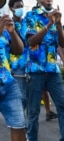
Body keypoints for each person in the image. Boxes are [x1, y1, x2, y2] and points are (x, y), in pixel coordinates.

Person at [24, 0, 64, 140]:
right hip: (35, 69)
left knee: (63, 106)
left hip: (52, 70)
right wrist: (49, 23)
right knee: (33, 110)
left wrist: (58, 24)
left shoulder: (55, 18)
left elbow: (62, 44)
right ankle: (32, 138)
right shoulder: (30, 16)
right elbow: (31, 41)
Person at [0, 11, 26, 141]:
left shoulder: (3, 28)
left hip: (8, 83)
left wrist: (12, 32)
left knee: (19, 125)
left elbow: (19, 50)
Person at [8, 0, 28, 111]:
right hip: (16, 66)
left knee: (30, 97)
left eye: (22, 6)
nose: (20, 8)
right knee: (21, 96)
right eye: (18, 6)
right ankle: (18, 123)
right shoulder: (8, 25)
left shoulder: (27, 23)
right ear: (11, 8)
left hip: (30, 64)